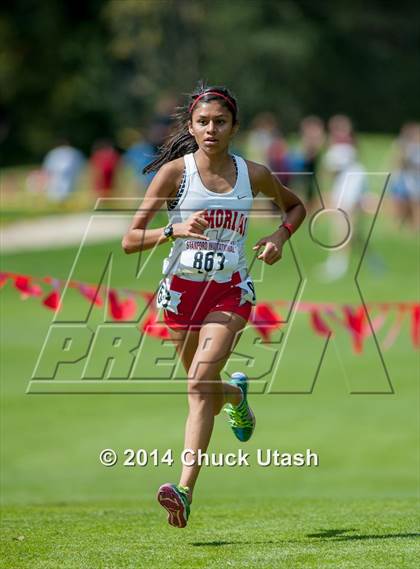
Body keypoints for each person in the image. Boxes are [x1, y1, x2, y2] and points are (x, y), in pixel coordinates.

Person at [122, 83, 306, 528]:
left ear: (234, 127)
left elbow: (296, 208)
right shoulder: (173, 175)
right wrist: (174, 231)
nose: (211, 129)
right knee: (204, 387)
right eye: (203, 121)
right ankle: (237, 395)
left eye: (220, 121)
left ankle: (183, 491)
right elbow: (130, 241)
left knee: (199, 382)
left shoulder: (253, 173)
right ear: (191, 126)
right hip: (181, 293)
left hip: (230, 291)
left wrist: (279, 237)